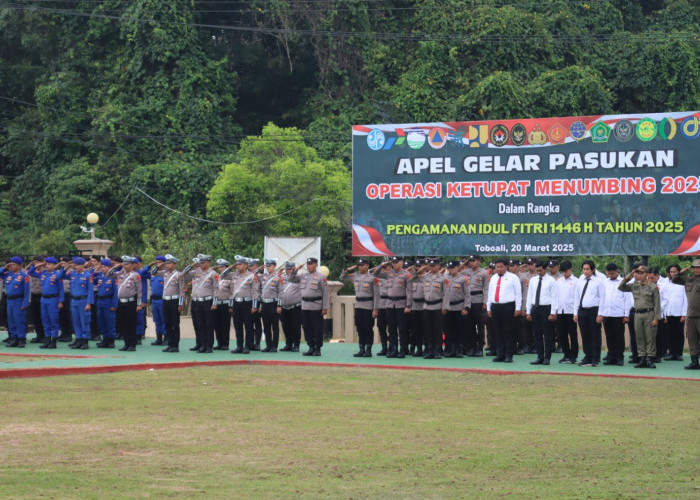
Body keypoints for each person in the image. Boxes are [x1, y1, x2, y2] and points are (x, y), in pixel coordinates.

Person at [619, 265, 661, 368]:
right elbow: (621, 287)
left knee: (650, 337)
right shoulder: (634, 285)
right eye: (638, 273)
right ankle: (642, 358)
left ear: (646, 274)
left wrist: (656, 318)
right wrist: (630, 276)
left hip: (649, 314)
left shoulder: (653, 286)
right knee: (639, 337)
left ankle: (650, 359)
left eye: (641, 273)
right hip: (637, 314)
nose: (639, 275)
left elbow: (657, 304)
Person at [373, 256, 412, 358]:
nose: (394, 264)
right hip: (390, 304)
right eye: (393, 262)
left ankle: (402, 350)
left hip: (401, 303)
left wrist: (408, 305)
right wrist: (382, 265)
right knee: (391, 328)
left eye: (396, 262)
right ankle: (393, 349)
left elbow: (409, 291)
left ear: (401, 263)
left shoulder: (406, 275)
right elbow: (375, 274)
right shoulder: (389, 273)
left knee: (402, 329)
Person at [340, 258, 380, 357]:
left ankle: (368, 349)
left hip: (368, 305)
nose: (360, 266)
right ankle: (361, 349)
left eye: (362, 265)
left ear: (367, 266)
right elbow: (342, 277)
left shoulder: (372, 278)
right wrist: (348, 270)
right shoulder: (355, 276)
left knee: (368, 328)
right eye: (358, 265)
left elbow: (376, 295)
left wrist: (375, 309)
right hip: (358, 305)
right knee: (360, 328)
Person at [290, 258, 329, 356]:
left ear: (316, 265)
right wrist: (295, 271)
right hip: (305, 306)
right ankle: (311, 347)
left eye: (311, 264)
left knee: (317, 328)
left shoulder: (321, 277)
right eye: (308, 264)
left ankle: (318, 348)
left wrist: (325, 307)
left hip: (316, 306)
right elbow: (291, 279)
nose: (309, 266)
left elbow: (325, 293)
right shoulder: (303, 276)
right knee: (306, 327)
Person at [486, 258, 522, 363]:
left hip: (508, 307)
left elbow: (518, 294)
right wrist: (489, 307)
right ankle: (500, 354)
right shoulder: (493, 278)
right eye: (497, 267)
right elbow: (490, 293)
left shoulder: (513, 277)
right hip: (495, 306)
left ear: (506, 267)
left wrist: (518, 308)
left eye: (501, 267)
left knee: (508, 332)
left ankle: (508, 355)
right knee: (497, 332)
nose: (499, 269)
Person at [597, 263, 632, 366]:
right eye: (608, 274)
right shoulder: (604, 282)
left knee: (619, 337)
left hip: (619, 314)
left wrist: (626, 315)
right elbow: (602, 298)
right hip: (607, 313)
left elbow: (627, 299)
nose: (610, 276)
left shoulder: (623, 282)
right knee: (609, 336)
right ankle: (611, 356)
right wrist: (601, 313)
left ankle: (619, 357)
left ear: (617, 271)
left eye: (612, 274)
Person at [27, 257, 64, 349]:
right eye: (46, 264)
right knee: (45, 320)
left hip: (53, 300)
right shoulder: (43, 273)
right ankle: (47, 340)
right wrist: (38, 265)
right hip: (44, 300)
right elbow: (30, 272)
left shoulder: (57, 275)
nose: (47, 266)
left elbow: (61, 289)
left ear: (54, 265)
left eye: (49, 264)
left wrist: (61, 301)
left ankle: (53, 341)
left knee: (53, 321)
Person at [525, 260, 558, 365]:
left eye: (540, 270)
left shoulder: (551, 281)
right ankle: (540, 356)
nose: (538, 272)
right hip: (535, 308)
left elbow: (554, 296)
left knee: (548, 334)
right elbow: (530, 295)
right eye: (537, 270)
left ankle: (547, 357)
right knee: (537, 334)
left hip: (546, 309)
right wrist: (528, 311)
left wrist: (553, 312)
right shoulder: (533, 280)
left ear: (545, 269)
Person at [59, 257, 95, 350]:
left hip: (83, 300)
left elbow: (90, 290)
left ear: (82, 265)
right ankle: (78, 339)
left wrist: (89, 303)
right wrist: (65, 267)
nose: (76, 267)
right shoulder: (72, 274)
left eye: (77, 265)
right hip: (74, 300)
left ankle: (85, 341)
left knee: (84, 321)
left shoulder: (87, 275)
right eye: (74, 265)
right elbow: (60, 276)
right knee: (76, 321)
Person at [574, 260, 605, 367]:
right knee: (585, 335)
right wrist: (575, 313)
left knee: (594, 335)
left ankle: (595, 358)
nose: (585, 271)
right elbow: (577, 298)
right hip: (582, 310)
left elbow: (602, 298)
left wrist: (600, 314)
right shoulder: (580, 281)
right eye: (584, 269)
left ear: (593, 270)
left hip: (594, 310)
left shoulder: (598, 281)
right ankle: (587, 356)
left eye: (588, 269)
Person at [185, 254, 218, 353]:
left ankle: (209, 346)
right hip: (198, 301)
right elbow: (183, 274)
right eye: (200, 262)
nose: (201, 264)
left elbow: (216, 289)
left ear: (208, 263)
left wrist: (214, 303)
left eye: (203, 262)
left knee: (209, 324)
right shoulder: (196, 273)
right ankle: (202, 345)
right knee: (200, 324)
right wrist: (192, 265)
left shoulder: (213, 274)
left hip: (208, 301)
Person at [671, 260, 700, 370]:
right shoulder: (689, 279)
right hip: (691, 316)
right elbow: (674, 279)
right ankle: (694, 362)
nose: (696, 269)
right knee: (692, 339)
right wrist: (684, 270)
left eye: (698, 267)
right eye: (694, 267)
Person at [229, 256, 258, 354]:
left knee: (248, 326)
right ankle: (239, 346)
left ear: (245, 265)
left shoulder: (251, 275)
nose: (238, 266)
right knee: (238, 326)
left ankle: (247, 346)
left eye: (240, 264)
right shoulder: (234, 275)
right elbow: (223, 275)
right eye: (237, 264)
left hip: (247, 303)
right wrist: (230, 267)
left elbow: (255, 291)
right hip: (236, 303)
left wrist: (254, 306)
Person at [0, 257, 30, 347]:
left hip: (19, 300)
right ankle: (14, 338)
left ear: (20, 265)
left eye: (14, 264)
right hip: (9, 300)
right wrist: (5, 268)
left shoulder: (24, 276)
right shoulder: (8, 274)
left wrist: (25, 303)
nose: (12, 266)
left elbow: (27, 291)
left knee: (19, 321)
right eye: (11, 264)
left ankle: (21, 339)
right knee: (11, 321)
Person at [442, 260, 470, 358]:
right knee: (448, 330)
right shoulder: (444, 278)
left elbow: (467, 294)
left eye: (453, 268)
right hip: (448, 307)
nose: (451, 270)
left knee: (459, 330)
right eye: (449, 268)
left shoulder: (463, 278)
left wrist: (466, 307)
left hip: (459, 307)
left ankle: (459, 350)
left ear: (457, 267)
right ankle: (450, 349)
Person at [115, 256, 143, 351]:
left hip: (131, 302)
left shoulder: (135, 275)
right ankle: (126, 344)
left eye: (127, 264)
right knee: (123, 324)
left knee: (131, 324)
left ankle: (132, 344)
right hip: (121, 302)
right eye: (124, 264)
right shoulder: (120, 274)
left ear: (131, 265)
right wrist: (117, 266)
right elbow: (108, 274)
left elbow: (139, 291)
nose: (125, 266)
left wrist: (139, 304)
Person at [160, 254, 185, 353]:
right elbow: (153, 272)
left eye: (169, 263)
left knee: (175, 324)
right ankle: (170, 344)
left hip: (174, 301)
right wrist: (159, 265)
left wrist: (180, 304)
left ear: (174, 264)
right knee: (167, 324)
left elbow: (182, 290)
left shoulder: (178, 274)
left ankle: (175, 345)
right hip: (166, 300)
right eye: (167, 263)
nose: (167, 265)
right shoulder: (165, 273)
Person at [555, 261, 578, 364]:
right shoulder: (559, 281)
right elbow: (556, 296)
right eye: (563, 272)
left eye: (566, 271)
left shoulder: (577, 281)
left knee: (572, 334)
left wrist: (576, 312)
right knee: (561, 334)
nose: (564, 273)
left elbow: (577, 298)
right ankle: (566, 354)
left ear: (571, 270)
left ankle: (573, 356)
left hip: (571, 311)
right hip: (560, 311)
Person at [464, 255, 487, 357]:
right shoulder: (465, 272)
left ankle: (480, 347)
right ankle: (471, 347)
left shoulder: (484, 272)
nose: (471, 262)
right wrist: (462, 265)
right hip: (468, 301)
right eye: (470, 261)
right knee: (469, 325)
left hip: (478, 300)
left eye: (473, 260)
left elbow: (486, 288)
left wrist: (485, 302)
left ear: (478, 261)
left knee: (480, 325)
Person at [93, 258, 119, 348]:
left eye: (105, 267)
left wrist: (114, 304)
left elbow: (116, 292)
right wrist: (95, 272)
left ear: (109, 267)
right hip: (100, 301)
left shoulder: (113, 277)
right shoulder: (100, 276)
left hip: (109, 301)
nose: (103, 268)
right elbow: (92, 280)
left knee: (110, 322)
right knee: (101, 321)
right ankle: (105, 339)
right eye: (102, 266)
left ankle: (111, 340)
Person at [663, 264, 687, 361]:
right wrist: (664, 314)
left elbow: (686, 300)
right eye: (671, 272)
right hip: (669, 313)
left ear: (679, 272)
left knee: (679, 334)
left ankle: (678, 353)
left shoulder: (682, 283)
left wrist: (684, 313)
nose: (673, 273)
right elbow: (665, 299)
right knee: (669, 333)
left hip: (679, 313)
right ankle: (671, 353)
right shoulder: (666, 283)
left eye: (675, 272)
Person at [259, 259, 282, 352]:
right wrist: (259, 269)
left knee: (275, 326)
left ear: (274, 266)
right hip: (264, 303)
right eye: (267, 266)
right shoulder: (263, 277)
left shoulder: (278, 277)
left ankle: (274, 346)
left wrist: (279, 305)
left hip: (273, 304)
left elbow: (280, 292)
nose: (268, 268)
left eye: (270, 266)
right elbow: (252, 276)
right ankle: (268, 345)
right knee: (266, 326)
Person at [278, 261, 302, 352]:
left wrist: (295, 272)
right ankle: (288, 344)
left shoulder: (298, 278)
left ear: (294, 268)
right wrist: (278, 273)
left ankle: (296, 345)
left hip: (295, 307)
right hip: (284, 307)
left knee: (295, 327)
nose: (288, 271)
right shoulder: (282, 278)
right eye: (287, 269)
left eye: (290, 269)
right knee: (286, 327)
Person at [212, 258, 233, 350]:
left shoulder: (229, 278)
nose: (220, 269)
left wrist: (231, 305)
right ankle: (219, 343)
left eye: (222, 267)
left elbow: (232, 293)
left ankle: (225, 344)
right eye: (219, 267)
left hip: (225, 304)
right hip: (216, 303)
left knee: (225, 325)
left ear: (226, 267)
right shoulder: (216, 277)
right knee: (217, 324)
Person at [148, 256, 167, 346]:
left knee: (164, 319)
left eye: (160, 262)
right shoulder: (153, 273)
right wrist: (153, 265)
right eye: (157, 262)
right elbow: (144, 273)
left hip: (162, 299)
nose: (158, 263)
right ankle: (159, 338)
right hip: (154, 300)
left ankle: (166, 338)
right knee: (157, 320)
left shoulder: (166, 273)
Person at [409, 258, 425, 357]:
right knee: (416, 329)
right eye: (417, 266)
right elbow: (409, 279)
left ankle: (427, 348)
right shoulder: (414, 278)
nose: (418, 268)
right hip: (415, 306)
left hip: (424, 306)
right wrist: (416, 272)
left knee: (426, 329)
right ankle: (418, 348)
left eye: (420, 266)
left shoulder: (428, 277)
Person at [27, 255, 45, 344]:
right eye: (34, 262)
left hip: (42, 296)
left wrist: (40, 265)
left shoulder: (44, 272)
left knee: (43, 317)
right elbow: (29, 272)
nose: (36, 264)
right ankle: (39, 335)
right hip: (34, 295)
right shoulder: (34, 271)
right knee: (36, 317)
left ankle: (44, 336)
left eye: (37, 262)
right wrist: (34, 266)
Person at [248, 258, 263, 350]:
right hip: (248, 302)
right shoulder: (247, 276)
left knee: (257, 324)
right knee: (249, 324)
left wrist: (260, 305)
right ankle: (250, 343)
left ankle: (257, 343)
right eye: (249, 266)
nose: (250, 267)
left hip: (257, 302)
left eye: (252, 265)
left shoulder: (261, 276)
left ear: (257, 266)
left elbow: (262, 291)